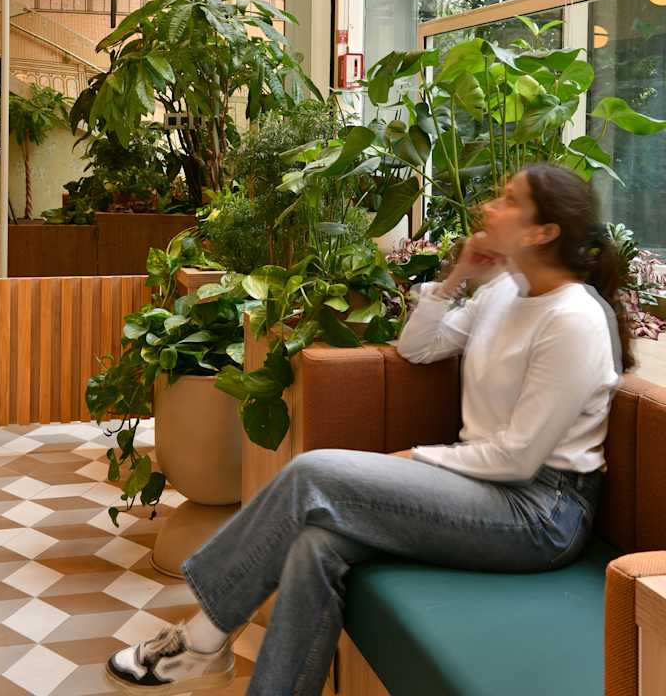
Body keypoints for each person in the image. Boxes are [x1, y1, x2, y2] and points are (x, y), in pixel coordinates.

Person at [106, 163, 632, 695]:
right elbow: (418, 348)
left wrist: (416, 458)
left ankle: (200, 641)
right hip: (485, 486)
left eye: (509, 200)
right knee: (316, 545)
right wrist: (456, 278)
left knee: (313, 474)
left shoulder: (573, 319)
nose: (488, 207)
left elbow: (518, 459)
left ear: (543, 232)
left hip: (540, 513)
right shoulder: (504, 293)